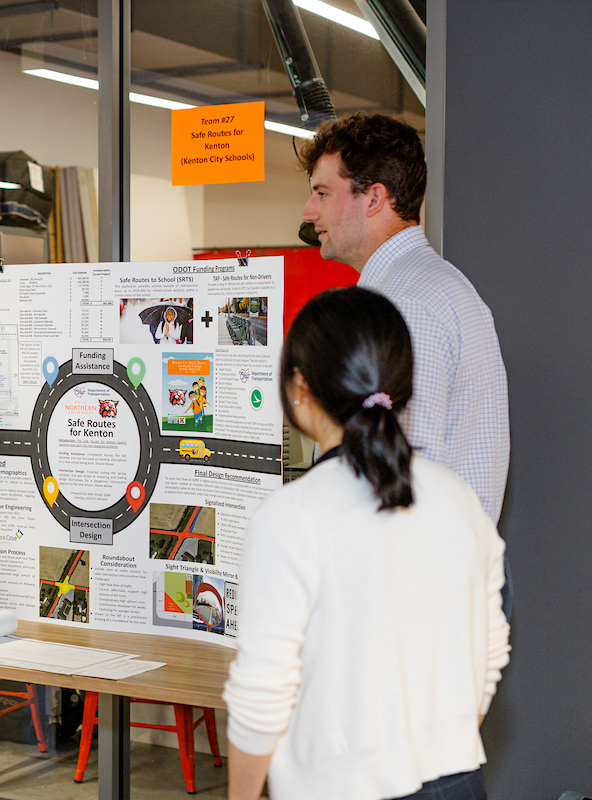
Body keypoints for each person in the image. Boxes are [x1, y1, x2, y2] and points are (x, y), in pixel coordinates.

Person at [223, 287, 510, 800]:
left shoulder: (293, 516)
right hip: (457, 783)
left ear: (300, 387)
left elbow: (262, 695)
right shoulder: (459, 499)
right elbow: (490, 651)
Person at [299, 112, 513, 615]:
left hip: (418, 587)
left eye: (323, 193)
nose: (308, 211)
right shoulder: (429, 285)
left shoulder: (404, 304)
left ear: (373, 198)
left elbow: (403, 465)